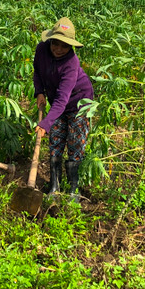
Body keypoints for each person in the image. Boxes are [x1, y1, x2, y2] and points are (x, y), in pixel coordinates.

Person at [33, 17, 94, 198]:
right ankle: (54, 187)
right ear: (50, 40)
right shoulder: (42, 49)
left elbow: (62, 98)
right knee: (56, 142)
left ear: (71, 47)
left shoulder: (71, 64)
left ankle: (73, 190)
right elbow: (37, 71)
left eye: (64, 46)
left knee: (75, 144)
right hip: (57, 102)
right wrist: (39, 92)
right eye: (55, 44)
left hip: (79, 103)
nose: (59, 49)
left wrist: (45, 123)